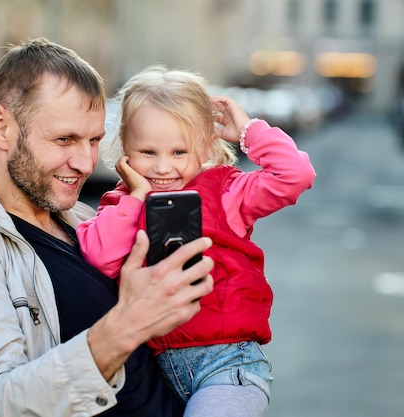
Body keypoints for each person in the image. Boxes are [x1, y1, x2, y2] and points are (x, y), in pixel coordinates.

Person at [0, 38, 216, 417]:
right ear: (1, 127)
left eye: (94, 140)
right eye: (65, 139)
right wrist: (124, 326)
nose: (85, 162)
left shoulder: (84, 219)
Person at [76, 65, 316, 417]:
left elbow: (295, 175)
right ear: (125, 145)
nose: (162, 168)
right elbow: (99, 258)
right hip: (161, 374)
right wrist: (136, 197)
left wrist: (249, 131)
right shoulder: (120, 204)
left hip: (228, 368)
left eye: (178, 152)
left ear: (205, 145)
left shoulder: (228, 192)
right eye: (147, 152)